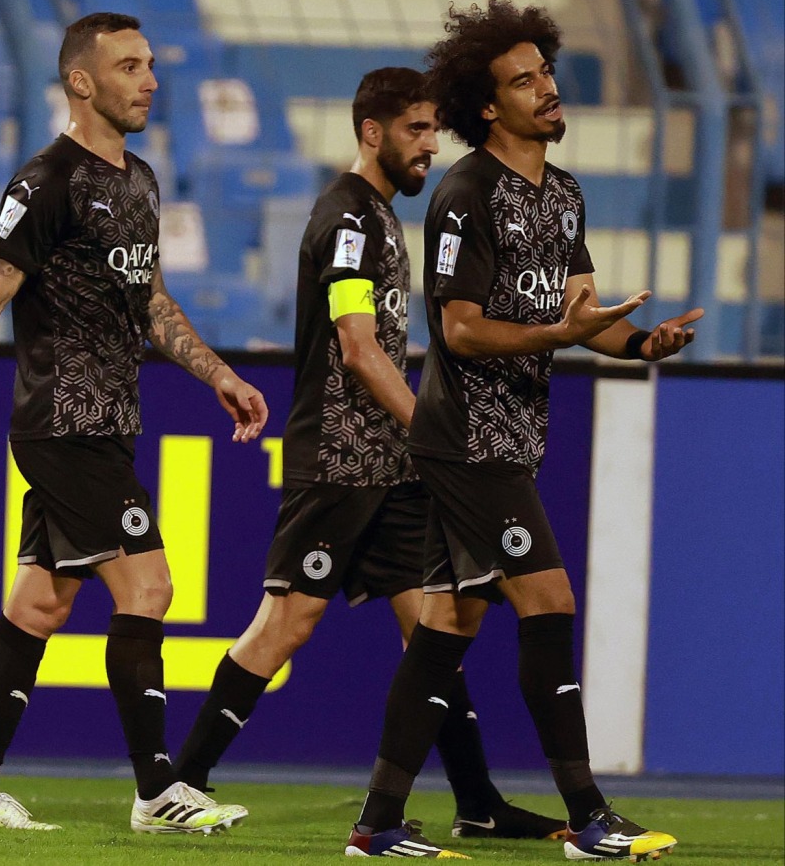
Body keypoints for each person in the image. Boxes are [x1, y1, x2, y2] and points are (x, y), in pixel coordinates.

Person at [0, 11, 268, 835]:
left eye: (153, 63)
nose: (152, 80)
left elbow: (152, 301)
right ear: (82, 81)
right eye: (131, 65)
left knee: (38, 606)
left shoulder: (140, 180)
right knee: (151, 584)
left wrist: (219, 375)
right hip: (61, 425)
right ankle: (157, 791)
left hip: (111, 422)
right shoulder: (44, 183)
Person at [174, 67, 564, 853]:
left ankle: (478, 801)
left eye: (433, 131)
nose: (430, 145)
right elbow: (356, 349)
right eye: (416, 130)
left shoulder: (381, 217)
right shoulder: (349, 216)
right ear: (372, 132)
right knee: (287, 621)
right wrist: (432, 428)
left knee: (433, 630)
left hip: (390, 465)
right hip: (340, 459)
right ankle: (179, 783)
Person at [346, 0, 700, 860]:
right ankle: (588, 816)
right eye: (523, 80)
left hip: (510, 438)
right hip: (465, 438)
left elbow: (581, 314)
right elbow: (459, 327)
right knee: (548, 600)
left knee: (445, 630)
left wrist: (641, 343)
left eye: (545, 70)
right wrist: (563, 336)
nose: (547, 88)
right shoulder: (466, 196)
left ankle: (377, 824)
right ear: (487, 106)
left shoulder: (564, 193)